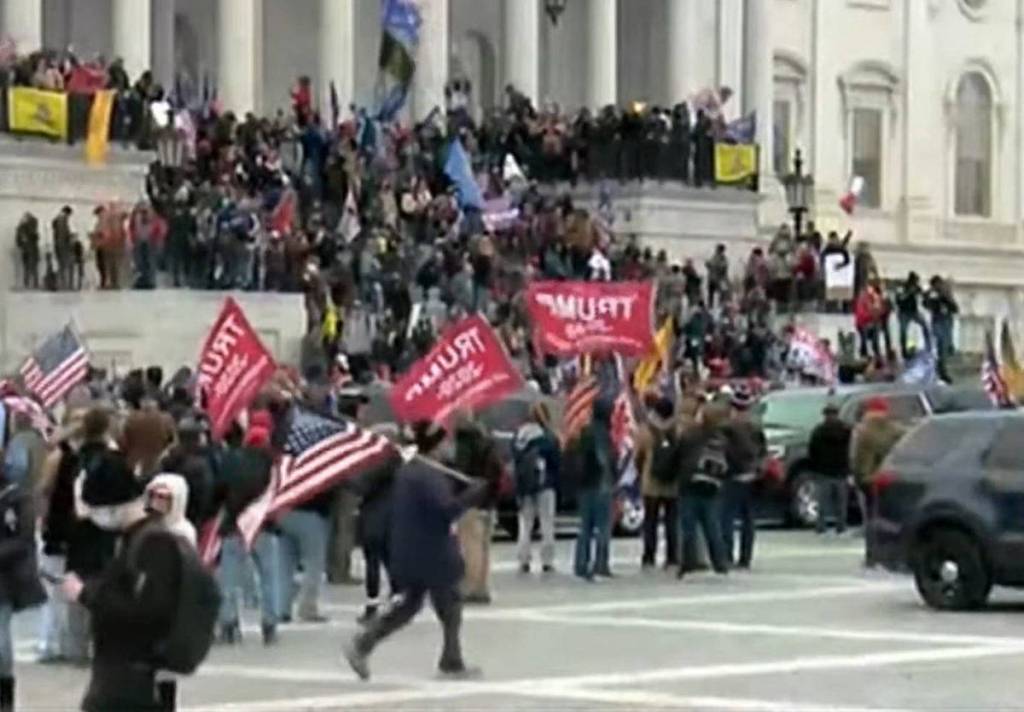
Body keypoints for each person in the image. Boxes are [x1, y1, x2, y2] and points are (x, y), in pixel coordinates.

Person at [342, 421, 490, 681]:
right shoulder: (425, 475)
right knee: (449, 605)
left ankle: (364, 643)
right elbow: (444, 511)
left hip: (413, 549)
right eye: (446, 442)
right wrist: (471, 496)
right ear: (436, 445)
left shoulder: (417, 471)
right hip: (430, 551)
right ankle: (451, 660)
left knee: (410, 606)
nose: (450, 447)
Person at [61, 442, 183, 712]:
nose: (95, 517)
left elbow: (136, 606)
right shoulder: (129, 537)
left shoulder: (149, 543)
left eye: (99, 510)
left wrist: (86, 593)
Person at [215, 422, 279, 644]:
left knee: (229, 578)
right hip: (264, 527)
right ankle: (269, 624)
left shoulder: (231, 461)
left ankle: (229, 623)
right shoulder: (275, 467)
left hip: (234, 525)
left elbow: (219, 489)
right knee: (269, 578)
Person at [35, 410, 85, 664]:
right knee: (60, 590)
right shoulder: (71, 457)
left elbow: (45, 490)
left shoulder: (68, 457)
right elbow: (46, 490)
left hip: (64, 529)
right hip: (67, 530)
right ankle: (55, 643)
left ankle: (55, 643)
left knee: (59, 590)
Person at [0, 451, 47, 712]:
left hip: (3, 578)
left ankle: (6, 699)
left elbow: (24, 538)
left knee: (1, 647)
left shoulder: (16, 496)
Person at [850, 397, 906, 567]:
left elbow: (856, 458)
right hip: (890, 479)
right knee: (893, 519)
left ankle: (872, 556)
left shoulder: (861, 431)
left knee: (871, 520)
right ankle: (895, 556)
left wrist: (858, 477)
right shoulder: (897, 431)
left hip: (868, 480)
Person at [453, 414, 502, 603]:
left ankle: (470, 587)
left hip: (470, 500)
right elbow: (497, 470)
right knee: (484, 547)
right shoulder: (488, 441)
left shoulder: (464, 444)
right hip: (488, 500)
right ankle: (482, 586)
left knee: (470, 547)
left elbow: (461, 472)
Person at [677, 401, 729, 577]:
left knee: (688, 527)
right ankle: (720, 562)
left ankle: (687, 562)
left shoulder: (690, 435)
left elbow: (678, 455)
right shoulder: (721, 437)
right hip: (711, 487)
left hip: (689, 485)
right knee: (712, 527)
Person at [512, 402, 561, 574]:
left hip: (524, 486)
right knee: (547, 523)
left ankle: (523, 560)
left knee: (525, 525)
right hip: (544, 483)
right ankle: (547, 561)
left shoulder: (518, 436)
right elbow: (556, 462)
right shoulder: (547, 437)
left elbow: (516, 461)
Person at [720, 388, 767, 568]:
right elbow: (763, 451)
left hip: (732, 476)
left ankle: (727, 554)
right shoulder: (756, 427)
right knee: (748, 520)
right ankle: (745, 557)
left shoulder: (726, 428)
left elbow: (724, 452)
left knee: (728, 518)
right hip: (752, 476)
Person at [574, 396, 618, 580]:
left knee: (585, 527)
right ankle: (601, 563)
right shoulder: (603, 434)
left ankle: (581, 563)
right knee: (603, 527)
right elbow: (605, 459)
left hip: (585, 484)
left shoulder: (585, 432)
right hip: (601, 483)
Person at [636, 397, 680, 570]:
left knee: (650, 523)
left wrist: (642, 472)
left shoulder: (646, 430)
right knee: (671, 522)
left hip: (651, 484)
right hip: (672, 484)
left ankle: (649, 556)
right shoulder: (677, 430)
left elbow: (637, 456)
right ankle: (672, 557)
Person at [807, 403, 853, 535]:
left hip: (823, 471)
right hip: (841, 471)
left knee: (823, 502)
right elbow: (850, 450)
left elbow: (812, 452)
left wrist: (814, 467)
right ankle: (841, 526)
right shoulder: (846, 430)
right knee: (841, 502)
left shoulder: (818, 431)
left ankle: (821, 526)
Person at [144, 474, 196, 546]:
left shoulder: (183, 534)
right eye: (152, 495)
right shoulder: (143, 526)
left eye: (162, 497)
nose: (154, 503)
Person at [924, 275, 959, 383]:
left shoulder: (945, 294)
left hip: (946, 321)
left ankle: (942, 369)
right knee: (941, 347)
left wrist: (947, 300)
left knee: (945, 345)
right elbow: (926, 304)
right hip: (939, 322)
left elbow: (955, 308)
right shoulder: (933, 295)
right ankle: (941, 372)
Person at [895, 272, 930, 359]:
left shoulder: (916, 287)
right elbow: (899, 299)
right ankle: (904, 351)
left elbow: (923, 295)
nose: (915, 284)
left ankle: (928, 347)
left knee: (925, 326)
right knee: (903, 332)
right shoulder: (902, 287)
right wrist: (909, 293)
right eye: (915, 281)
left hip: (913, 312)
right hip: (903, 312)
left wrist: (926, 293)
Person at [15, 212, 40, 289]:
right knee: (31, 267)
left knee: (28, 267)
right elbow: (35, 236)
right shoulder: (24, 228)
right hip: (30, 250)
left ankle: (29, 283)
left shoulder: (22, 227)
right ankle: (32, 284)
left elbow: (18, 241)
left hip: (28, 250)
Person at [52, 205, 74, 291]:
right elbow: (64, 233)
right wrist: (70, 238)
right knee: (64, 265)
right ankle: (63, 284)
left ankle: (61, 283)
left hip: (58, 244)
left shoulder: (57, 218)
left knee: (61, 264)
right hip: (63, 246)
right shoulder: (63, 219)